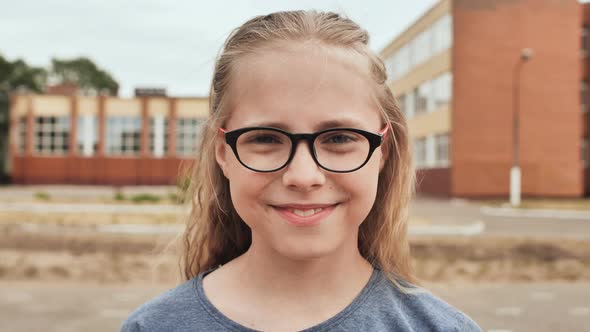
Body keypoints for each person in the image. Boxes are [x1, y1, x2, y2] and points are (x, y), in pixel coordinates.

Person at [120, 10, 481, 332]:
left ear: (383, 151)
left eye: (339, 137)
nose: (304, 176)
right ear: (223, 153)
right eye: (265, 138)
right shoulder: (152, 326)